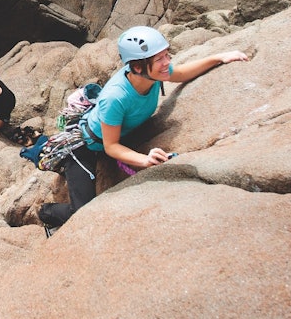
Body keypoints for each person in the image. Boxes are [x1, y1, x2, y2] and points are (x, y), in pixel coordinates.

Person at [41, 26, 248, 228]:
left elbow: (182, 73)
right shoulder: (115, 97)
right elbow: (111, 146)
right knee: (83, 214)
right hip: (86, 145)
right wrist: (145, 160)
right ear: (138, 67)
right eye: (160, 59)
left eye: (167, 55)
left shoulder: (153, 73)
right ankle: (46, 212)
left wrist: (219, 58)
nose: (168, 62)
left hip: (116, 133)